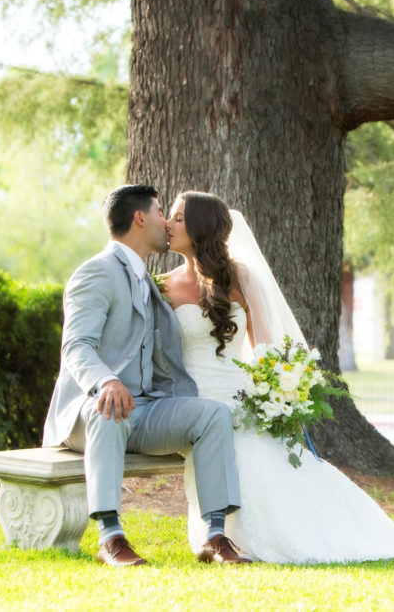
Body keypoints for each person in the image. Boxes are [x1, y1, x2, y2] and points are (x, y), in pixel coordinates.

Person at [161, 191, 394, 563]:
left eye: (178, 218)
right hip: (192, 403)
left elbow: (268, 350)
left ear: (202, 227)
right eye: (170, 217)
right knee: (232, 444)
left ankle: (280, 532)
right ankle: (220, 536)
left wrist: (272, 394)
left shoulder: (239, 277)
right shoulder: (162, 287)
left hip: (240, 397)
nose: (168, 225)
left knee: (260, 452)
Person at [42, 185, 250, 566]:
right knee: (108, 409)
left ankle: (216, 536)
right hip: (91, 412)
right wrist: (105, 381)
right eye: (159, 212)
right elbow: (76, 346)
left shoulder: (149, 282)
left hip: (145, 410)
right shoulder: (96, 272)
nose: (165, 223)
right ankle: (110, 538)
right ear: (139, 218)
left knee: (213, 415)